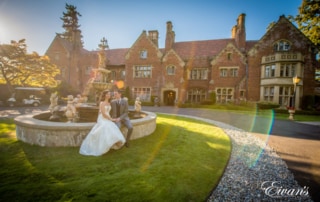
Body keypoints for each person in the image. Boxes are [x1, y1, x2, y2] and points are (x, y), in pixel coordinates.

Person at [79, 90, 125, 156]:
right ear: (105, 95)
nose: (109, 95)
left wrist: (112, 118)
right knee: (106, 126)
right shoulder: (102, 103)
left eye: (109, 94)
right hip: (102, 118)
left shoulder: (109, 103)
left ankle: (115, 143)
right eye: (107, 94)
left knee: (112, 126)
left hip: (107, 117)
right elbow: (103, 114)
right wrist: (111, 119)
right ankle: (104, 146)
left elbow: (108, 112)